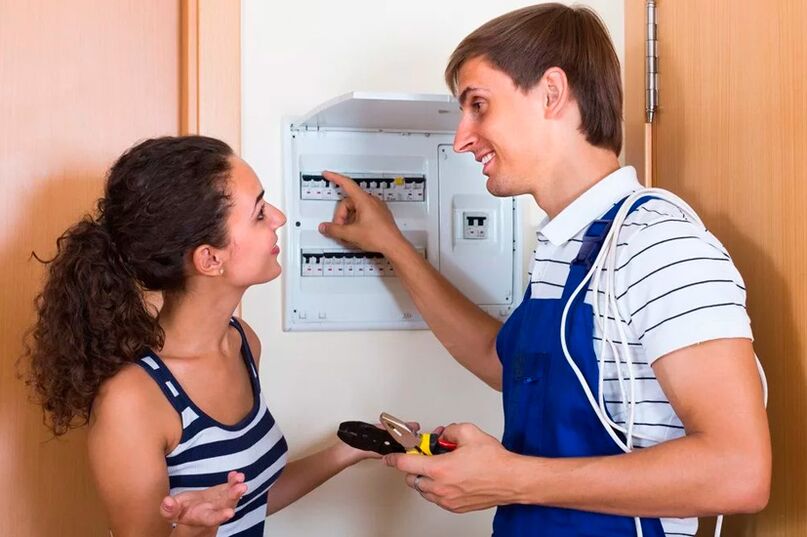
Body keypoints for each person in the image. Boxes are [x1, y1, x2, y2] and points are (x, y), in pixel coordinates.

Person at [318, 4, 771, 536]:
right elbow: (503, 360)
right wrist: (391, 244)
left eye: (479, 105)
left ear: (552, 93)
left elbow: (739, 471)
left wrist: (508, 480)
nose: (462, 137)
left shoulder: (658, 246)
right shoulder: (565, 246)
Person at [22, 136, 377, 536]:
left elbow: (251, 498)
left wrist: (349, 452)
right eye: (259, 212)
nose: (278, 217)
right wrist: (194, 531)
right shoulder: (132, 400)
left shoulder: (241, 343)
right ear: (210, 259)